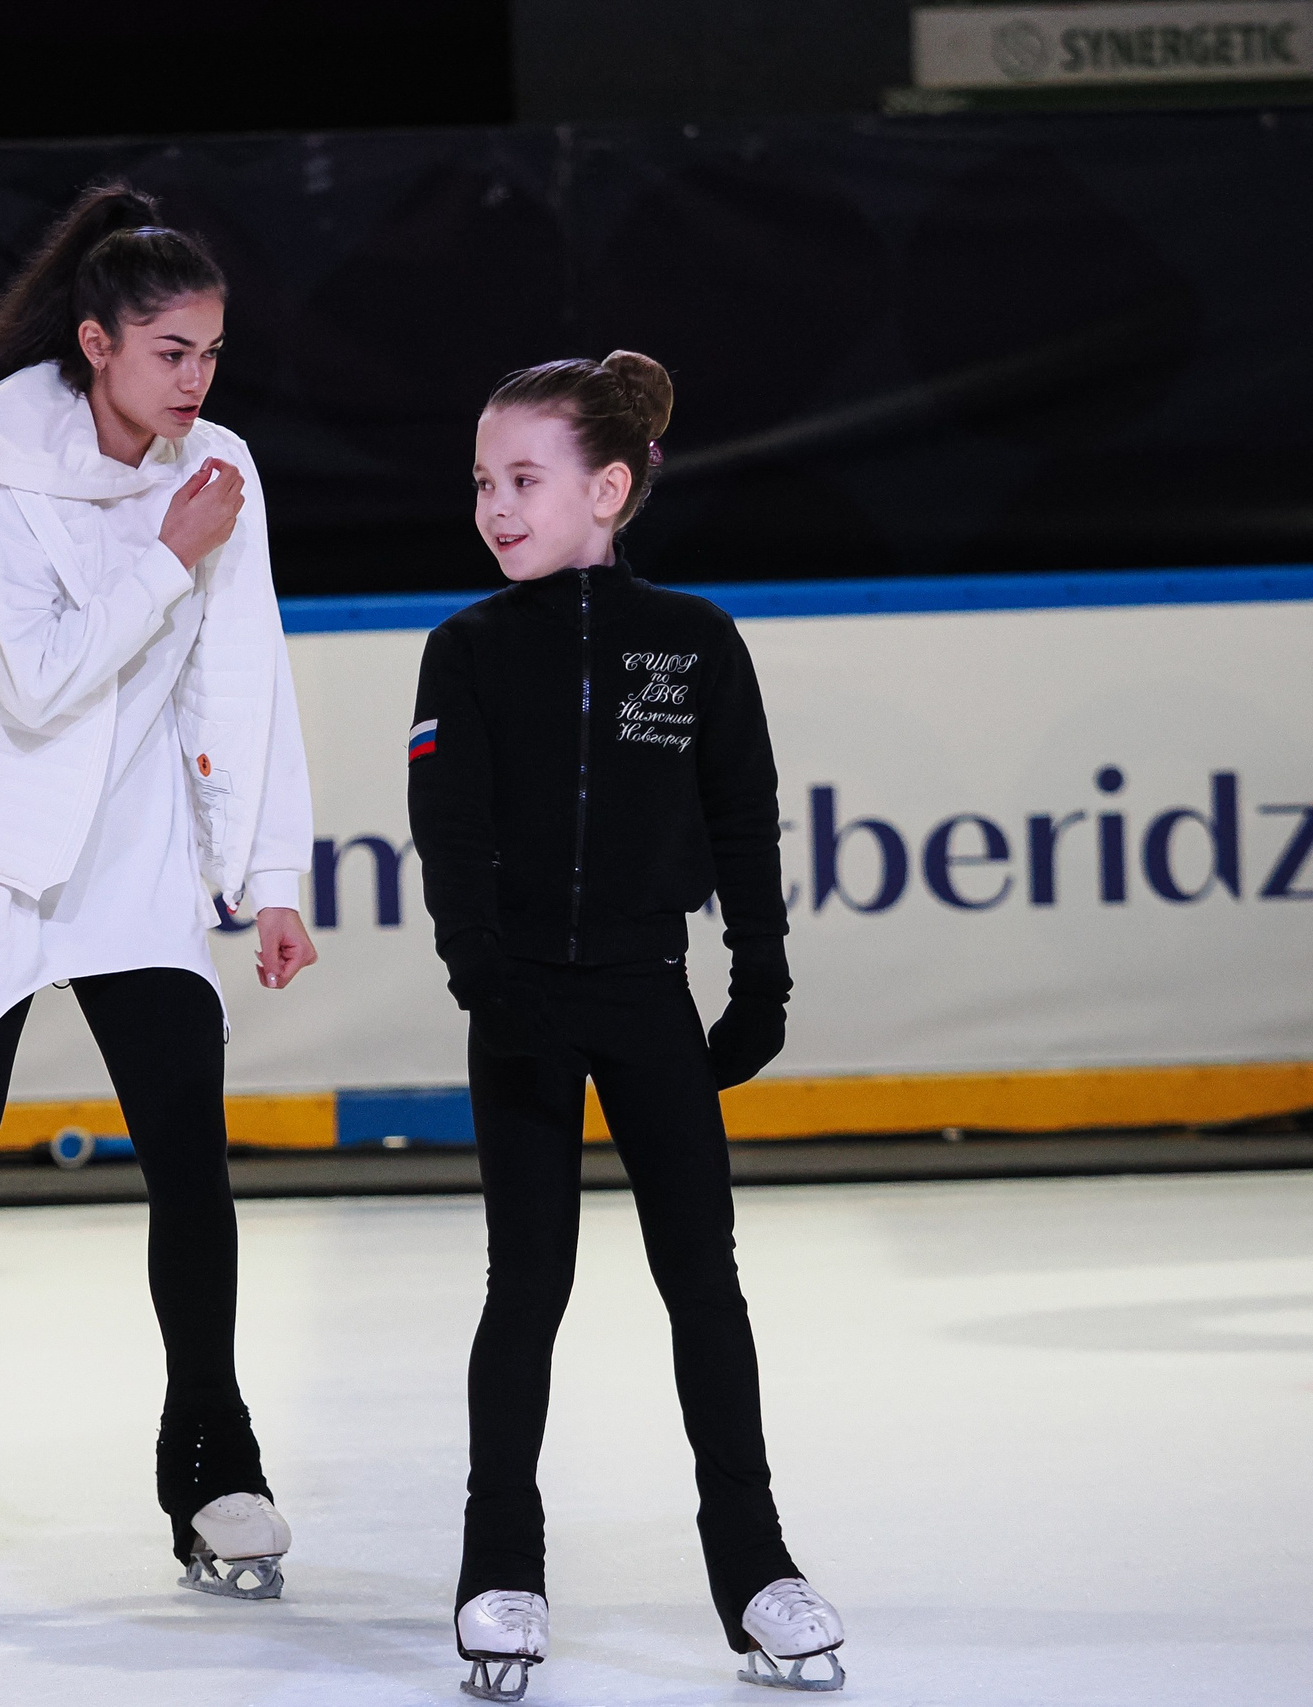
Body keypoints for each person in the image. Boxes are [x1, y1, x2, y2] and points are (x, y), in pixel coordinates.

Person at [0, 183, 320, 1621]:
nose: (198, 381)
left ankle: (212, 1458)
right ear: (97, 345)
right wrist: (165, 555)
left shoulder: (219, 470)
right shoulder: (4, 468)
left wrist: (263, 874)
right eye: (172, 353)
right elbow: (32, 684)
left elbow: (244, 678)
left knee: (192, 1176)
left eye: (212, 353)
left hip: (143, 865)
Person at [407, 352, 849, 1699]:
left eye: (523, 478)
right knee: (525, 1288)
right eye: (483, 480)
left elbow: (742, 816)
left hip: (648, 997)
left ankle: (757, 1565)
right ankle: (500, 1569)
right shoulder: (467, 648)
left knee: (702, 1286)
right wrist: (491, 983)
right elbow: (452, 835)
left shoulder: (698, 643)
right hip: (524, 1008)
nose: (494, 503)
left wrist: (760, 982)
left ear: (609, 488)